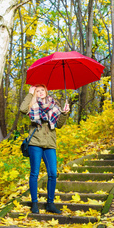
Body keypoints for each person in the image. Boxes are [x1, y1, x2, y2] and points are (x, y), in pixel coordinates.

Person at [20, 84, 69, 214]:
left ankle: (50, 204)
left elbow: (59, 125)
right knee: (34, 173)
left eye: (42, 90)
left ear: (46, 91)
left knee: (53, 173)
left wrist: (64, 113)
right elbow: (22, 109)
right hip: (35, 142)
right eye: (37, 91)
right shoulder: (32, 104)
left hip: (50, 144)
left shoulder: (54, 105)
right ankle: (34, 203)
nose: (40, 92)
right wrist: (30, 94)